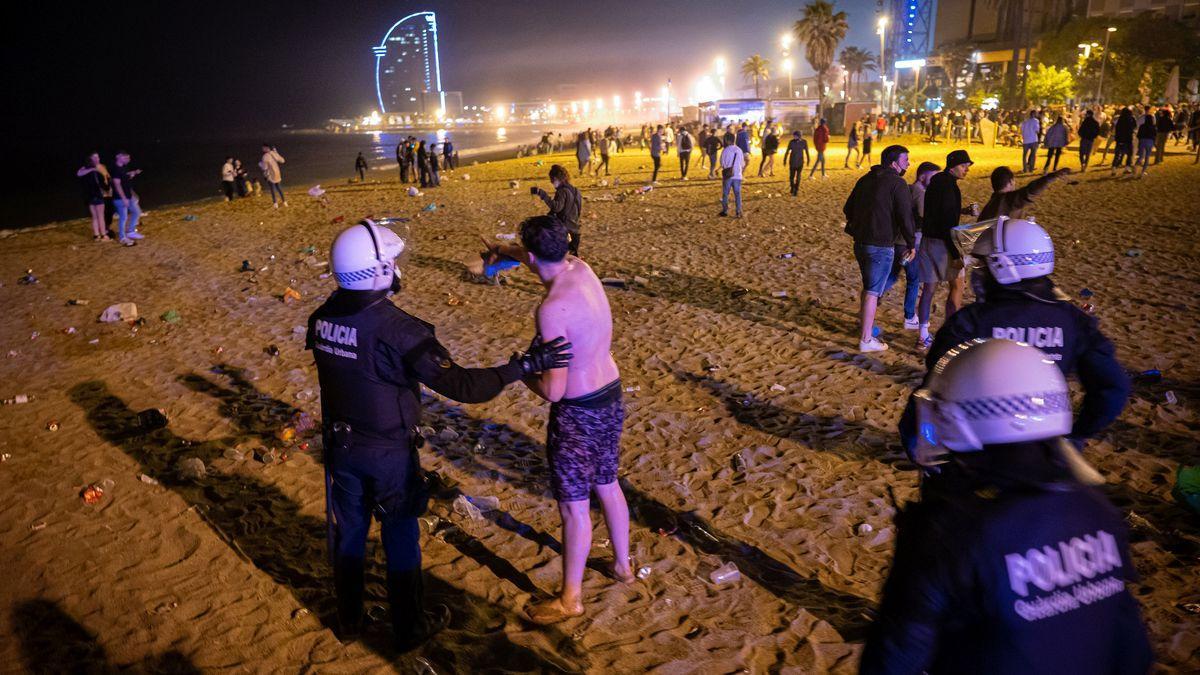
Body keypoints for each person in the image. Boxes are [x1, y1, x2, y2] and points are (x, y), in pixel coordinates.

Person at [308, 218, 573, 651]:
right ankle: (409, 627)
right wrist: (521, 366)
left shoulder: (321, 318)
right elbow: (464, 387)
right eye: (391, 262)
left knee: (350, 533)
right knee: (399, 533)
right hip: (387, 452)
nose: (396, 268)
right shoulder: (400, 330)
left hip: (341, 446)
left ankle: (349, 620)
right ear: (376, 270)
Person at [864, 338, 1152, 675]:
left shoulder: (952, 531)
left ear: (965, 420)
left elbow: (893, 659)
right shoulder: (1097, 510)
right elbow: (1134, 653)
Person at [489, 216, 632, 625]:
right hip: (611, 394)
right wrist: (506, 251)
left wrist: (524, 372)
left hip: (578, 413)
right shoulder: (582, 269)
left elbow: (553, 390)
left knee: (574, 509)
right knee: (607, 482)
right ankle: (622, 565)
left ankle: (571, 599)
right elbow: (544, 257)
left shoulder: (551, 309)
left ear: (532, 258)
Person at [842, 144, 917, 352]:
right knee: (873, 292)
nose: (908, 164)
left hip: (861, 243)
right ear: (894, 163)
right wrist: (911, 243)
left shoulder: (865, 180)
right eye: (905, 160)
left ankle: (865, 330)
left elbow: (848, 208)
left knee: (869, 288)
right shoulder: (898, 183)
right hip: (881, 244)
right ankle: (866, 339)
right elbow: (905, 217)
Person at [914, 150, 977, 350]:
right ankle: (952, 333)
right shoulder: (951, 187)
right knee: (958, 285)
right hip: (944, 244)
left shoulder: (936, 183)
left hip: (927, 241)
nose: (966, 169)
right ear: (953, 166)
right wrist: (957, 253)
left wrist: (964, 211)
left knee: (929, 290)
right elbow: (948, 222)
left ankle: (923, 335)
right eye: (963, 165)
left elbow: (940, 211)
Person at [893, 161, 940, 331]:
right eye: (933, 176)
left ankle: (871, 302)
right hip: (910, 243)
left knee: (891, 277)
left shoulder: (910, 189)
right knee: (913, 280)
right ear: (922, 176)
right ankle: (909, 316)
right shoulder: (919, 192)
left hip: (899, 240)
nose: (935, 180)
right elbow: (922, 218)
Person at [978, 166, 1070, 222]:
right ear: (1010, 182)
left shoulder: (991, 204)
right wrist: (1051, 177)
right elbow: (1030, 191)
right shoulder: (1006, 200)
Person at [533, 164, 583, 255]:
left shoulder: (562, 191)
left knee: (561, 256)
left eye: (552, 180)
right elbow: (578, 209)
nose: (552, 183)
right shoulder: (576, 190)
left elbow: (556, 207)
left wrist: (543, 195)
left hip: (565, 230)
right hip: (575, 228)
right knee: (573, 256)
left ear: (556, 178)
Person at [110, 151, 143, 246]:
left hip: (128, 196)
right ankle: (122, 237)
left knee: (137, 211)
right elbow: (117, 184)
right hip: (120, 197)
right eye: (125, 158)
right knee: (123, 217)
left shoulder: (123, 168)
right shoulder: (115, 169)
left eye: (128, 158)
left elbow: (124, 179)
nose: (128, 160)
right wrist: (123, 198)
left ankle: (131, 231)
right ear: (118, 157)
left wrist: (132, 174)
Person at [77, 152, 111, 241]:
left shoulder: (94, 168)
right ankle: (103, 235)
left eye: (98, 157)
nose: (97, 159)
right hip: (96, 194)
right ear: (90, 159)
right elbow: (79, 174)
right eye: (95, 158)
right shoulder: (92, 169)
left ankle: (96, 235)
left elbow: (107, 177)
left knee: (95, 216)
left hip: (90, 195)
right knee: (100, 216)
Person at [718, 133, 745, 218]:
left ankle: (725, 211)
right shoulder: (739, 150)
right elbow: (743, 164)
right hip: (738, 175)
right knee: (737, 194)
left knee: (725, 193)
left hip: (728, 176)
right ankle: (738, 212)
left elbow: (722, 163)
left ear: (727, 140)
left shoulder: (725, 150)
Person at [782, 130, 811, 196]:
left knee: (798, 177)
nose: (794, 137)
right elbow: (787, 152)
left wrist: (808, 160)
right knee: (791, 177)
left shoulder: (803, 142)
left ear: (799, 136)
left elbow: (807, 152)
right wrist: (784, 160)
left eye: (795, 136)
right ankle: (793, 187)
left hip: (799, 162)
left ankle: (796, 189)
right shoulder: (793, 142)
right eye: (794, 136)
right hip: (793, 162)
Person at [260, 143, 287, 208]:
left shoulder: (265, 156)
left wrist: (260, 165)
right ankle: (284, 202)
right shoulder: (274, 153)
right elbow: (283, 161)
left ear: (266, 148)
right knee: (279, 188)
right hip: (277, 173)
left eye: (263, 148)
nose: (262, 149)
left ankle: (275, 203)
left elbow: (265, 168)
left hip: (270, 175)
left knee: (272, 189)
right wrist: (276, 153)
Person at [1110, 107, 1135, 175]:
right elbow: (1134, 126)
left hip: (1120, 139)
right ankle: (1127, 167)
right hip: (1128, 139)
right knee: (1130, 153)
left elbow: (1117, 128)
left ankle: (1114, 168)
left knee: (1117, 154)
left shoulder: (1119, 119)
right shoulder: (1131, 118)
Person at [1135, 107, 1156, 179]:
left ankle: (1135, 170)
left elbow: (1139, 135)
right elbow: (1154, 136)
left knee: (1140, 156)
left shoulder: (1142, 126)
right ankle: (1142, 172)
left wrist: (1140, 140)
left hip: (1142, 141)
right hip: (1150, 142)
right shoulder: (1153, 127)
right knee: (1147, 157)